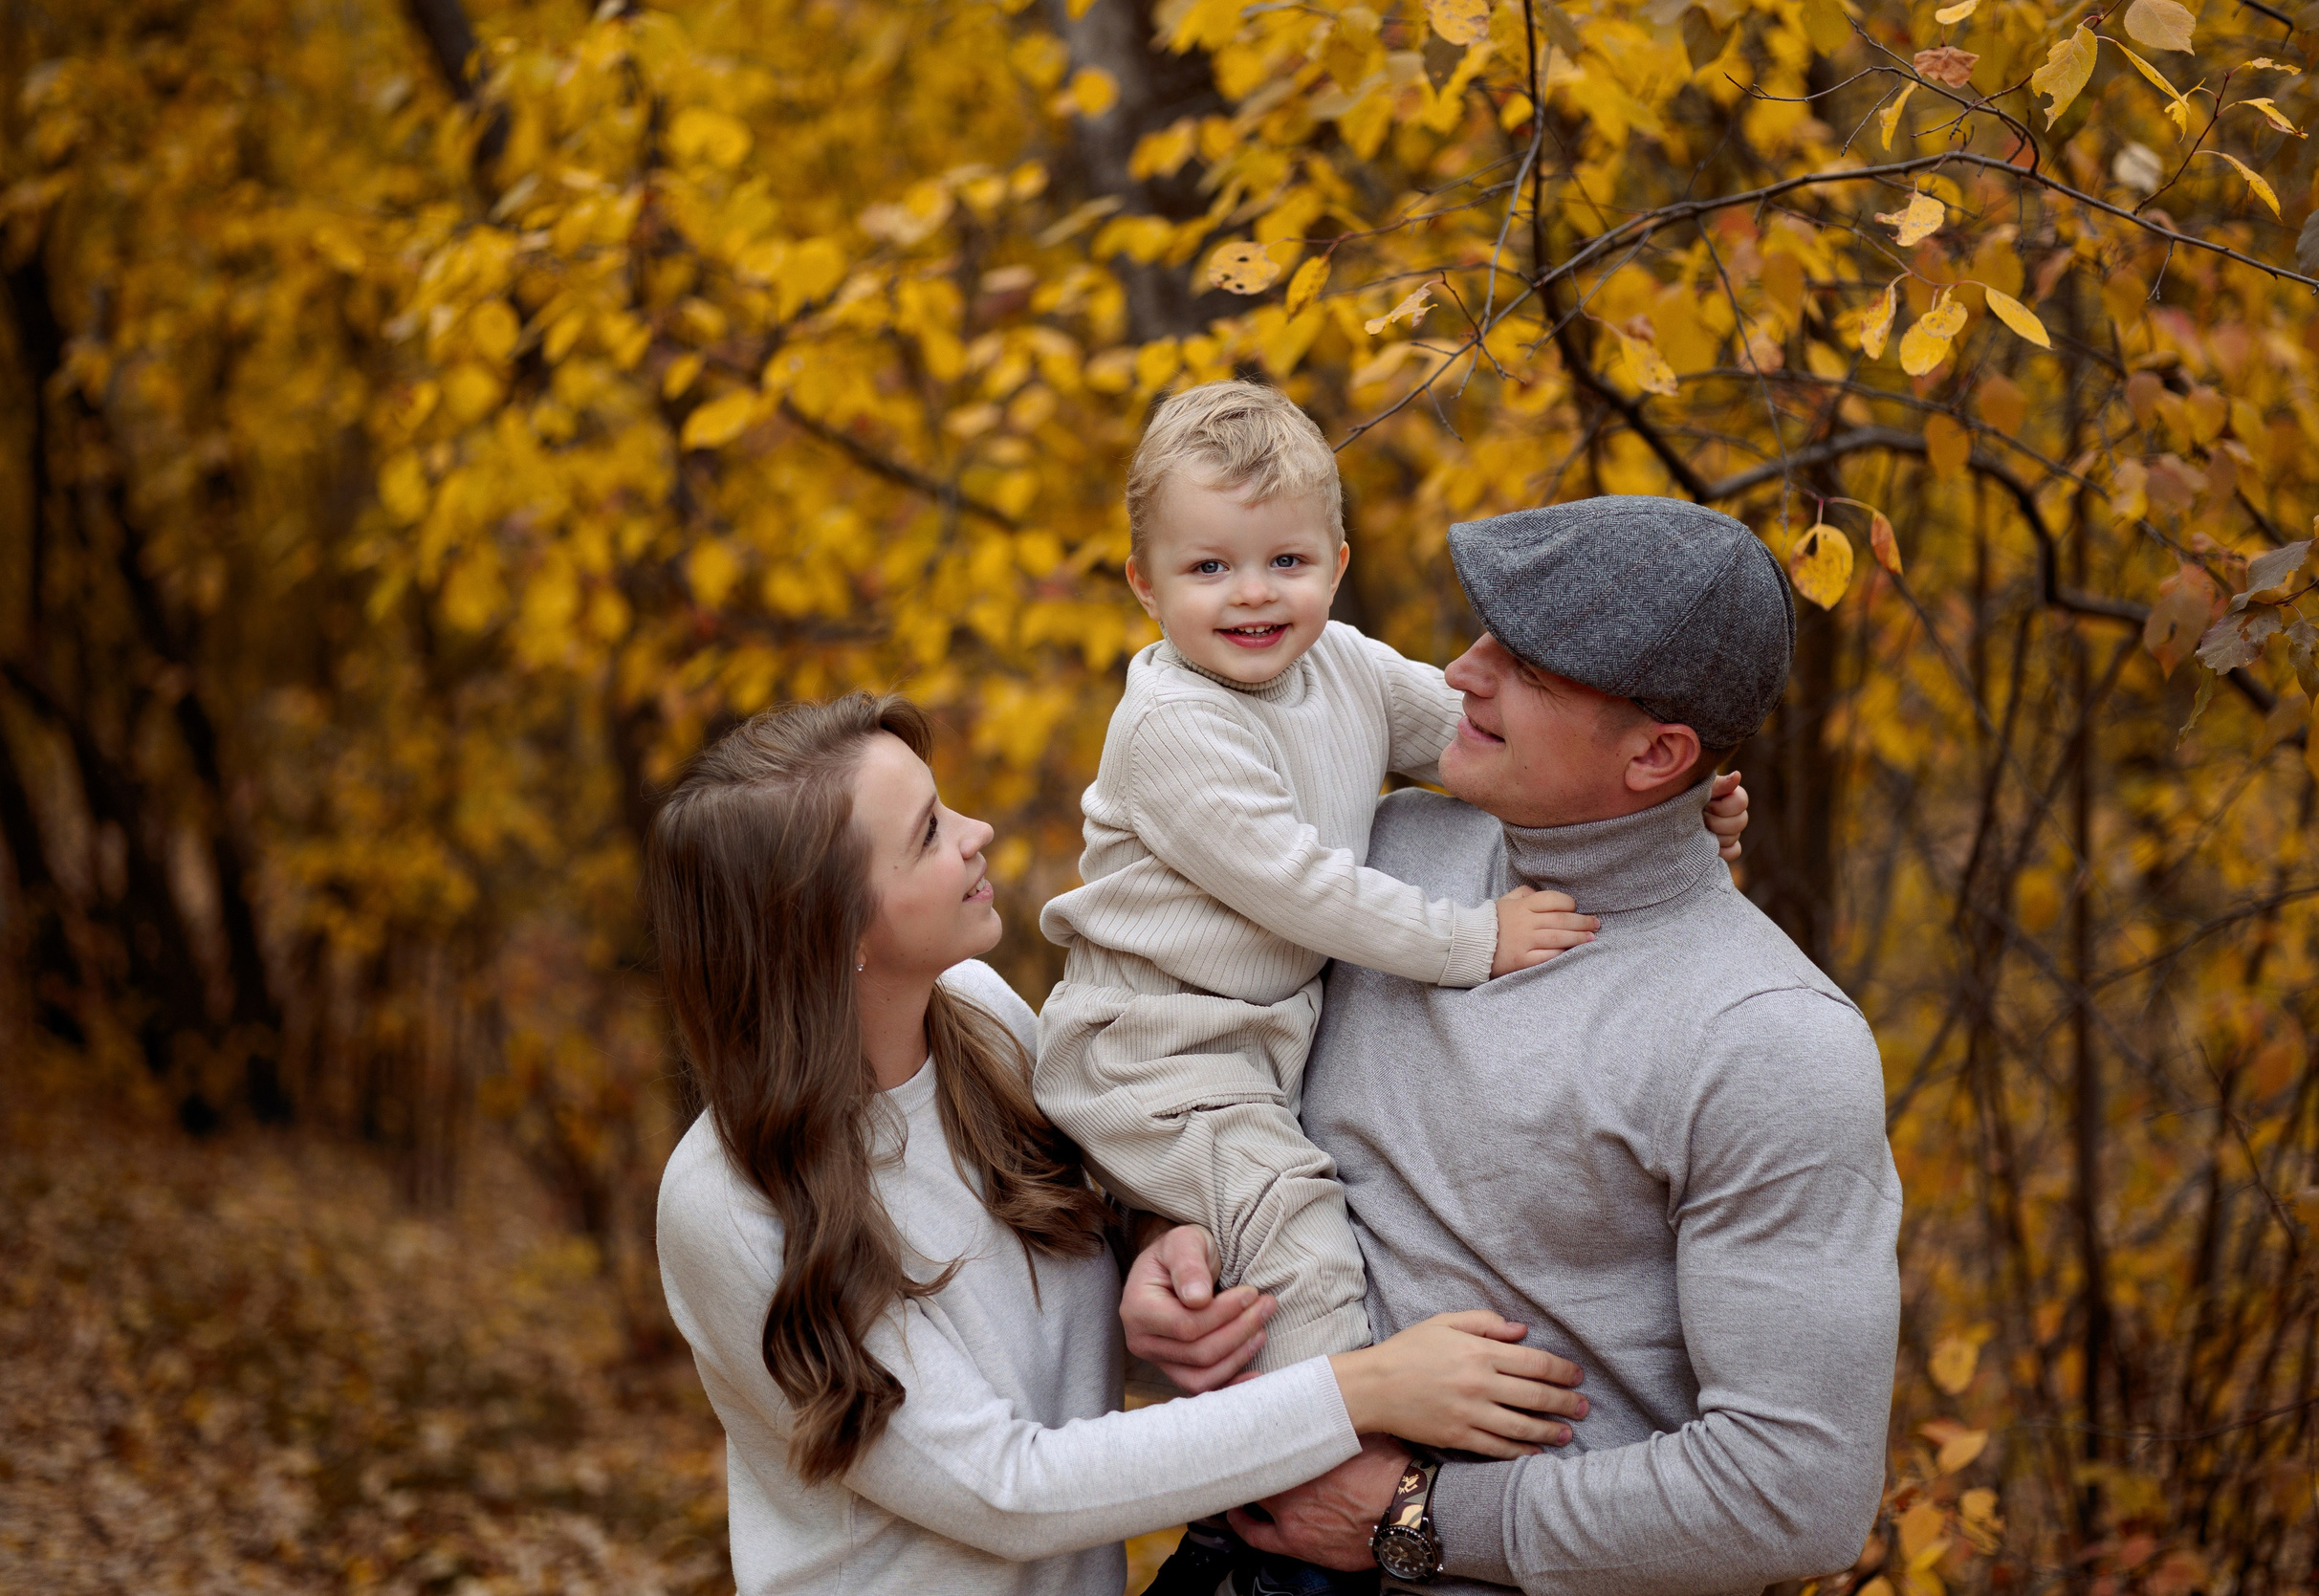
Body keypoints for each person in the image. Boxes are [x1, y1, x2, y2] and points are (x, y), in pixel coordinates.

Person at [647, 693, 1597, 1596]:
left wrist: (1147, 1252)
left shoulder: (979, 1018)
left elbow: (1045, 1294)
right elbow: (1003, 1489)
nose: (978, 831)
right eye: (930, 833)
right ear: (832, 928)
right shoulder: (734, 1201)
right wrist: (1361, 1391)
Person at [1126, 497, 1903, 1596]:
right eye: (1485, 630)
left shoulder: (1765, 1037)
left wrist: (1410, 1517)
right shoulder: (1370, 863)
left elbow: (1793, 1492)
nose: (1458, 670)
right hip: (1226, 1567)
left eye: (1527, 666)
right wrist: (1158, 1236)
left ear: (1657, 755)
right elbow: (1183, 1066)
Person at [1033, 383, 1747, 1383]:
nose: (1251, 593)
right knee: (1297, 1241)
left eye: (1287, 561)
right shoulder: (1171, 727)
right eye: (1208, 567)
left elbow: (1490, 749)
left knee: (1281, 1239)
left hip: (1259, 1046)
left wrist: (1674, 805)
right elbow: (1302, 886)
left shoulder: (1343, 666)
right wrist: (1471, 941)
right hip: (1157, 1055)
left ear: (1338, 564)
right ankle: (1332, 1466)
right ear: (1144, 587)